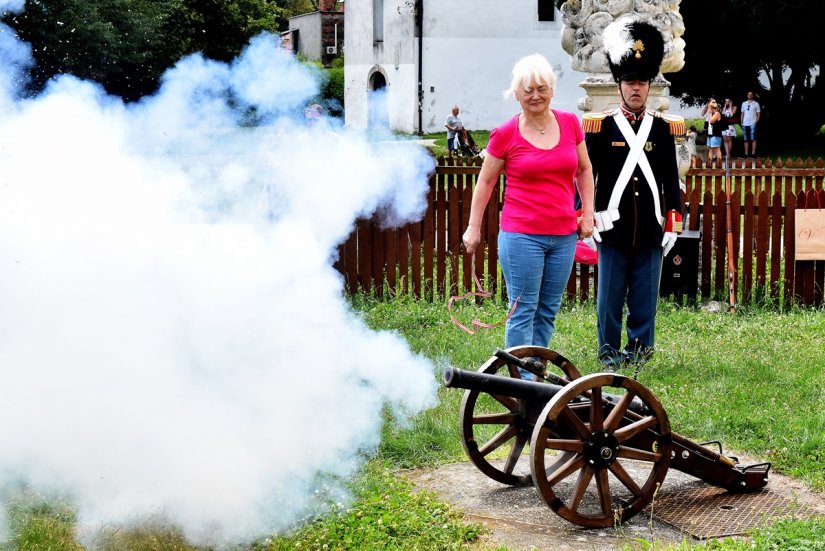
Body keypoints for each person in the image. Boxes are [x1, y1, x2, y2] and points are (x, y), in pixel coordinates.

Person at [462, 53, 595, 375]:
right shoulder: (505, 133)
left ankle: (536, 370)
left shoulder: (569, 123)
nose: (535, 95)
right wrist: (473, 228)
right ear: (516, 94)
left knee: (548, 309)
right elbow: (486, 182)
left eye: (542, 88)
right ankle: (521, 381)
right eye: (527, 90)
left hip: (563, 235)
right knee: (523, 310)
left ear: (551, 89)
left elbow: (584, 169)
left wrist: (588, 213)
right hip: (522, 235)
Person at [583, 17, 684, 370]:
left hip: (650, 227)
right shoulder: (601, 126)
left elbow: (671, 180)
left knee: (644, 297)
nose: (636, 88)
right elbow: (587, 174)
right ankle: (609, 351)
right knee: (609, 297)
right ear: (619, 86)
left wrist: (673, 220)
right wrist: (586, 214)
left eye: (641, 82)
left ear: (649, 85)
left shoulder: (663, 128)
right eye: (630, 83)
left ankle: (640, 351)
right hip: (611, 226)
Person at [740, 91, 761, 158]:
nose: (750, 96)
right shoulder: (744, 103)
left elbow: (758, 114)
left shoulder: (756, 104)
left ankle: (753, 153)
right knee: (746, 139)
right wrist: (741, 122)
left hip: (752, 122)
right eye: (749, 95)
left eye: (751, 95)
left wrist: (756, 122)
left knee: (753, 139)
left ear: (753, 96)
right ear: (747, 96)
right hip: (745, 123)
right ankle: (746, 154)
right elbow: (742, 113)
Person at [705, 98, 723, 165]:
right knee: (710, 148)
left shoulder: (717, 113)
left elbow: (711, 121)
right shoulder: (712, 113)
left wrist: (710, 114)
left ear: (711, 108)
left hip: (716, 134)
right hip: (710, 133)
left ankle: (719, 163)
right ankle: (710, 163)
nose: (708, 109)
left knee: (717, 148)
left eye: (709, 108)